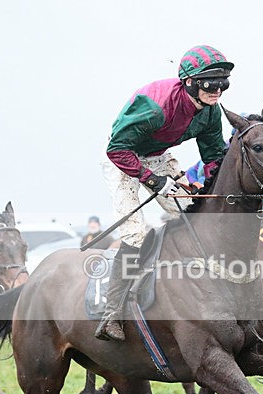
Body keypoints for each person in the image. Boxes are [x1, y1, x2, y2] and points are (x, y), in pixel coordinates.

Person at [97, 45, 233, 341]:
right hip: (124, 158)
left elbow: (213, 157)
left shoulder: (210, 113)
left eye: (223, 82)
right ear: (190, 82)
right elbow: (116, 150)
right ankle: (112, 314)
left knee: (191, 214)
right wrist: (154, 180)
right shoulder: (156, 106)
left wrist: (213, 188)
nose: (218, 90)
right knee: (135, 234)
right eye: (211, 82)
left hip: (157, 155)